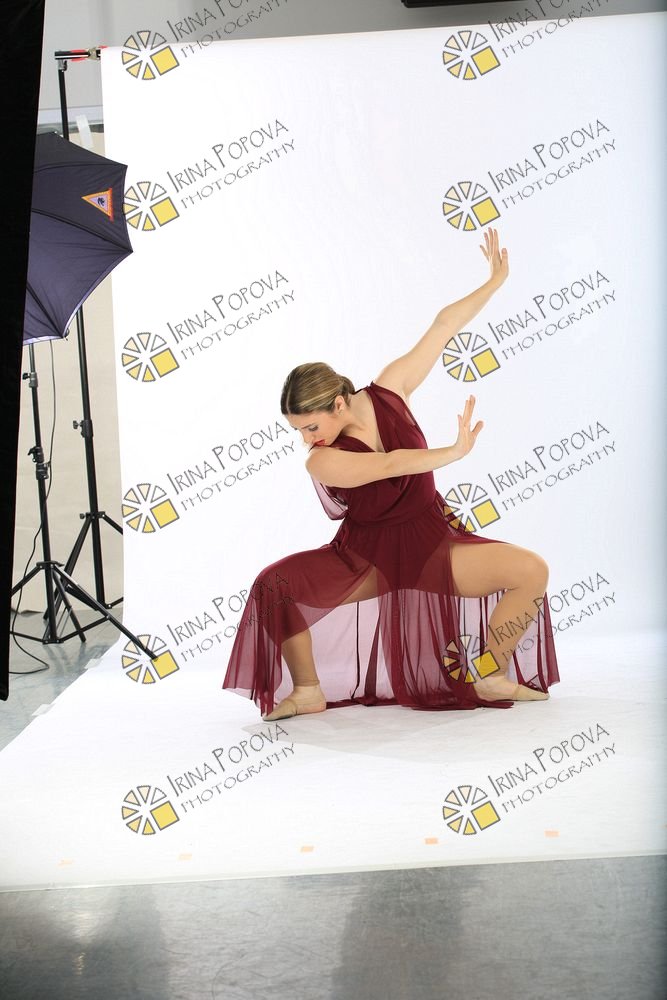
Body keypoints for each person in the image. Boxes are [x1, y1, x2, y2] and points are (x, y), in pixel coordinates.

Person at [222, 227, 559, 721]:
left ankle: (489, 674)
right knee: (275, 587)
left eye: (311, 426)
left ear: (339, 404)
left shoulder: (390, 389)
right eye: (298, 430)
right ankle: (308, 690)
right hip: (367, 559)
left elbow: (442, 326)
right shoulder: (322, 459)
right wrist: (453, 452)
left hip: (430, 544)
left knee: (532, 571)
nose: (307, 438)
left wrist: (493, 282)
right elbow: (388, 465)